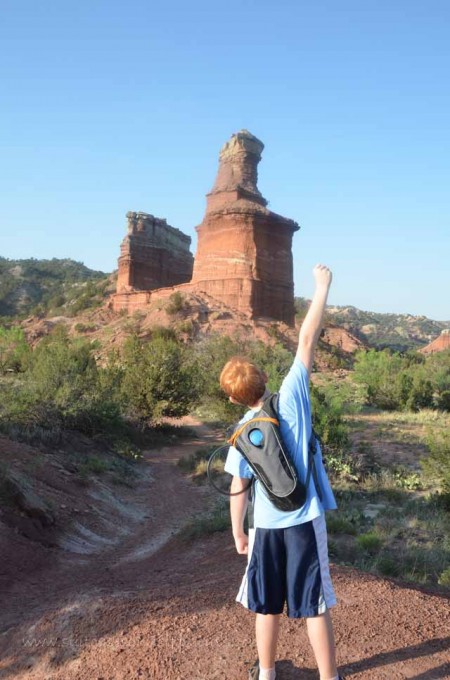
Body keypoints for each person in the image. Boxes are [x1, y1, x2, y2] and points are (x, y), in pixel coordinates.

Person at [220, 264, 345, 680]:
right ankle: (328, 677)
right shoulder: (291, 396)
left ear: (234, 397)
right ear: (265, 379)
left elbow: (238, 486)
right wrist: (322, 286)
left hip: (265, 527)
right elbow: (307, 338)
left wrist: (239, 532)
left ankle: (267, 673)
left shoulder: (241, 431)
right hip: (305, 517)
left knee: (266, 602)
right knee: (314, 602)